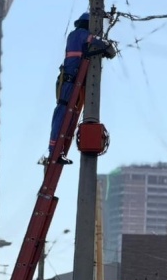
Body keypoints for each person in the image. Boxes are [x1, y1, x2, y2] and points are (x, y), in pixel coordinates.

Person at [48, 12, 117, 165]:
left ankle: (57, 151)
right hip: (69, 81)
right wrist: (108, 46)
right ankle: (54, 151)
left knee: (68, 116)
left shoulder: (76, 36)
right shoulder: (79, 34)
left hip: (71, 80)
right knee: (63, 113)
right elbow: (96, 41)